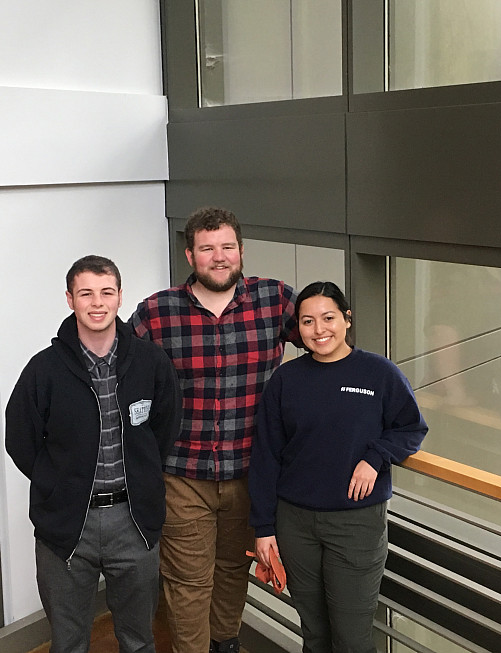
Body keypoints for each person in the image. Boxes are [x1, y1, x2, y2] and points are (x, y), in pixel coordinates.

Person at [129, 207, 298, 653]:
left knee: (231, 570)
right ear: (190, 255)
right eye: (207, 248)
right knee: (188, 580)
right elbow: (119, 374)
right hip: (183, 473)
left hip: (251, 472)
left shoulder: (277, 300)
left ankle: (225, 644)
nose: (218, 257)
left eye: (227, 247)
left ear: (241, 252)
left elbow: (329, 344)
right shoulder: (156, 312)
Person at [6, 255, 182, 653]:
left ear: (120, 297)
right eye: (86, 293)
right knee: (68, 642)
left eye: (106, 292)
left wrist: (142, 478)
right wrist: (59, 484)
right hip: (68, 525)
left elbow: (164, 431)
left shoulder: (151, 364)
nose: (97, 302)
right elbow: (21, 440)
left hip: (134, 522)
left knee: (138, 640)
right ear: (70, 299)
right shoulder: (43, 370)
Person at [249, 281, 428, 653]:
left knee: (352, 639)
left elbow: (411, 427)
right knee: (314, 633)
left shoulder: (379, 374)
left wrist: (375, 457)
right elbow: (266, 455)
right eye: (308, 322)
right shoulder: (286, 379)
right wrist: (264, 528)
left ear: (347, 320)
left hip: (356, 524)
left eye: (329, 318)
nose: (319, 330)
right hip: (294, 523)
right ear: (297, 329)